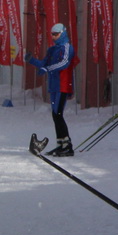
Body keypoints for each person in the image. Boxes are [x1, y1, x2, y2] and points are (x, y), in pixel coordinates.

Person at [26, 23, 77, 157]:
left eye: (56, 34)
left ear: (63, 33)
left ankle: (67, 145)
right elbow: (44, 64)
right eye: (52, 34)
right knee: (55, 115)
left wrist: (47, 69)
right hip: (54, 86)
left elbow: (64, 63)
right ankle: (60, 144)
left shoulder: (67, 47)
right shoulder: (52, 49)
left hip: (63, 85)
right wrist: (31, 60)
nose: (54, 37)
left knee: (58, 114)